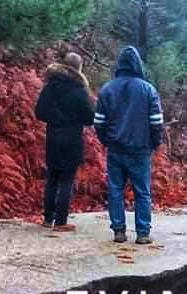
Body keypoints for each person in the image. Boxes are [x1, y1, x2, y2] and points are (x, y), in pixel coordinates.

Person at [94, 46, 165, 244]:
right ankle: (142, 233)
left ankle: (118, 231)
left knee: (115, 189)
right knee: (142, 191)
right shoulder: (148, 89)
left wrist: (106, 140)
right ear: (138, 64)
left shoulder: (108, 89)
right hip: (141, 149)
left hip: (115, 148)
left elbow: (99, 122)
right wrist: (154, 143)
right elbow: (156, 122)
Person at [34, 52, 95, 230]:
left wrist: (55, 118)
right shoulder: (79, 90)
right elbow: (89, 118)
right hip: (72, 137)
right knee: (67, 179)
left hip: (52, 136)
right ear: (79, 68)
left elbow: (39, 112)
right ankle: (61, 221)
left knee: (52, 178)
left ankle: (47, 218)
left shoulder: (50, 87)